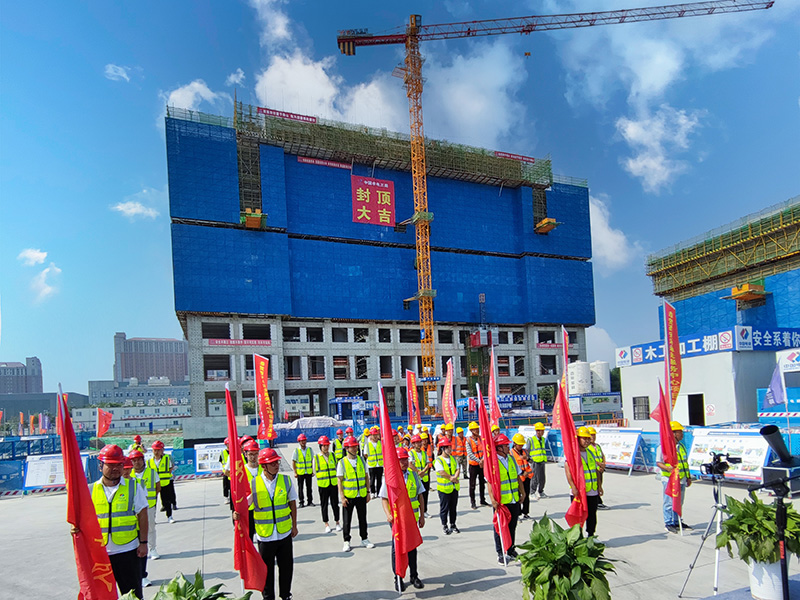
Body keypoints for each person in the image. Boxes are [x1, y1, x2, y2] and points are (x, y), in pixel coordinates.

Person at [76, 444, 148, 599]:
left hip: (128, 551)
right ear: (100, 466)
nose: (116, 468)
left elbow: (143, 515)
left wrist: (144, 542)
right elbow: (82, 519)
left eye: (119, 465)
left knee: (133, 595)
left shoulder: (133, 487)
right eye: (110, 465)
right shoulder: (90, 490)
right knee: (101, 595)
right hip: (100, 554)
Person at [234, 448, 298, 600]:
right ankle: (268, 597)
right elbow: (244, 505)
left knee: (286, 567)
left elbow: (292, 503)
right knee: (266, 571)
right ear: (263, 466)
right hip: (265, 536)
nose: (276, 465)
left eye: (277, 462)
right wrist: (236, 513)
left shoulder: (286, 480)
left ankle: (286, 595)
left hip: (284, 533)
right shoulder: (254, 484)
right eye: (272, 463)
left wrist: (294, 525)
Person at [380, 447, 425, 592]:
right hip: (397, 521)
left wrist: (422, 515)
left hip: (412, 519)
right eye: (401, 460)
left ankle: (414, 576)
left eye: (406, 459)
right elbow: (384, 499)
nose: (404, 462)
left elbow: (420, 496)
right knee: (398, 548)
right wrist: (388, 515)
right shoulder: (390, 477)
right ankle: (398, 577)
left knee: (412, 547)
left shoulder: (413, 475)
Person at [488, 434, 526, 565]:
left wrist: (523, 493)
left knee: (512, 526)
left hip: (514, 499)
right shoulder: (493, 462)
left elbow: (518, 476)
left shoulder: (510, 459)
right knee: (500, 528)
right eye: (505, 445)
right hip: (501, 502)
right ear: (499, 448)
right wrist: (492, 499)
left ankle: (510, 549)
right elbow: (489, 482)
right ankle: (500, 552)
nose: (508, 447)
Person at [337, 435, 374, 552]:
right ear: (347, 448)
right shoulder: (342, 463)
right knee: (347, 520)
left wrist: (368, 492)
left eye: (356, 446)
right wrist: (342, 497)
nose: (355, 449)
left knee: (362, 518)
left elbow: (366, 477)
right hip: (349, 496)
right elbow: (340, 480)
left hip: (361, 495)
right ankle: (346, 541)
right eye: (352, 447)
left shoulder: (361, 460)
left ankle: (364, 538)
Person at [130, 448, 161, 581]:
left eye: (138, 460)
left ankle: (152, 548)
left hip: (149, 506)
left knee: (150, 528)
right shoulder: (128, 474)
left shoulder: (152, 472)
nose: (136, 463)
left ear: (143, 460)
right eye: (134, 461)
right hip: (132, 509)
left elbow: (158, 487)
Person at [656, 421, 692, 533]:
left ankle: (677, 521)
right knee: (669, 502)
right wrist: (668, 469)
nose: (682, 434)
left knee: (679, 502)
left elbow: (684, 463)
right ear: (673, 434)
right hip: (669, 480)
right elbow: (659, 462)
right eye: (680, 432)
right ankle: (669, 522)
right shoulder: (663, 447)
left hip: (681, 479)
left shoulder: (681, 447)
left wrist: (688, 477)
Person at [565, 427, 601, 537]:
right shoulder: (573, 454)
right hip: (579, 491)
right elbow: (568, 470)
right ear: (578, 439)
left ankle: (591, 535)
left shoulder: (590, 452)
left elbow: (595, 471)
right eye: (584, 438)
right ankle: (577, 536)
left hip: (592, 490)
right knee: (578, 515)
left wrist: (599, 486)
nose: (587, 441)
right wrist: (573, 486)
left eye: (588, 438)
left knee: (592, 514)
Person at [314, 436, 341, 533]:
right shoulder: (316, 458)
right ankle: (326, 524)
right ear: (320, 446)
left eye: (327, 445)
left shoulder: (333, 456)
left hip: (333, 484)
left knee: (335, 504)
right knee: (324, 505)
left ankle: (337, 522)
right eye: (324, 446)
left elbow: (337, 468)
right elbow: (314, 471)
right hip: (323, 485)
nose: (326, 447)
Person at [434, 438, 460, 535]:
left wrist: (455, 477)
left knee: (453, 508)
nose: (450, 449)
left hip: (454, 488)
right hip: (444, 489)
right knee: (444, 508)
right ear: (442, 448)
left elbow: (457, 469)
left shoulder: (453, 458)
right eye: (447, 447)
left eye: (450, 447)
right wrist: (451, 478)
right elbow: (441, 472)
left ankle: (453, 524)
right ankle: (444, 525)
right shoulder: (439, 460)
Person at [149, 441, 176, 523]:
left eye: (158, 450)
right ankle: (152, 519)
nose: (156, 452)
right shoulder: (149, 461)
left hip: (165, 483)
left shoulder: (167, 458)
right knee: (152, 502)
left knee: (167, 501)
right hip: (154, 484)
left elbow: (170, 468)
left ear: (162, 450)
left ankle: (169, 516)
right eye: (155, 450)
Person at [408, 434, 432, 518]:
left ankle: (424, 511)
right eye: (416, 442)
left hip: (424, 477)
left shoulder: (424, 453)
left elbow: (428, 463)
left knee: (425, 495)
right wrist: (418, 471)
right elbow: (410, 464)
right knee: (415, 495)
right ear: (413, 444)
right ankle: (414, 511)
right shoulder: (411, 453)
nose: (418, 444)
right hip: (415, 477)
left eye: (419, 442)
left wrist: (423, 471)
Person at [466, 422, 488, 509]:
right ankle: (473, 502)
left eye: (477, 429)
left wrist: (482, 460)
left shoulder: (481, 439)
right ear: (471, 431)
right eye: (475, 429)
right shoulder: (468, 440)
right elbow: (470, 454)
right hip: (473, 465)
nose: (477, 431)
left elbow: (485, 450)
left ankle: (482, 500)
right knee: (472, 484)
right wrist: (479, 461)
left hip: (481, 465)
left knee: (482, 483)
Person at [511, 434, 533, 519]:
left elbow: (531, 461)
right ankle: (518, 513)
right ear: (514, 443)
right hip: (518, 478)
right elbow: (512, 466)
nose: (521, 446)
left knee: (526, 495)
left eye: (522, 444)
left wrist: (527, 458)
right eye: (519, 444)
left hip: (527, 477)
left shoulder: (525, 451)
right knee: (518, 496)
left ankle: (525, 512)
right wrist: (522, 473)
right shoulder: (511, 453)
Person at [587, 427, 608, 509]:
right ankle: (598, 502)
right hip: (594, 469)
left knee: (600, 484)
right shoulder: (587, 447)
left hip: (600, 469)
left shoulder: (597, 446)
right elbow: (590, 459)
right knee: (596, 486)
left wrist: (603, 464)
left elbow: (602, 455)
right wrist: (599, 464)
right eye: (591, 435)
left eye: (594, 435)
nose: (593, 437)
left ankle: (597, 502)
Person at [292, 434, 314, 508]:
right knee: (300, 488)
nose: (303, 442)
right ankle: (301, 502)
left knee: (309, 488)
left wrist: (313, 470)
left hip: (308, 472)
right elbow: (293, 462)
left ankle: (310, 501)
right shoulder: (296, 451)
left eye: (304, 440)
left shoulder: (309, 450)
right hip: (300, 473)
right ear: (299, 442)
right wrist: (295, 472)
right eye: (301, 441)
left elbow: (313, 460)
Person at [528, 423, 548, 498]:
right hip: (535, 461)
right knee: (535, 478)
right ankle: (532, 492)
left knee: (542, 478)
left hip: (542, 460)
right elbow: (527, 450)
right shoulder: (531, 440)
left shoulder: (543, 439)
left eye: (543, 431)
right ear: (537, 431)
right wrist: (529, 460)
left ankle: (541, 491)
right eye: (540, 431)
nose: (542, 432)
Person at [364, 427, 384, 498]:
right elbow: (365, 454)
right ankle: (372, 492)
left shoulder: (380, 443)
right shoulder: (367, 444)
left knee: (379, 479)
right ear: (370, 436)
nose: (375, 436)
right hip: (371, 465)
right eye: (373, 435)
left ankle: (379, 492)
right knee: (372, 479)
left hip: (380, 464)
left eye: (376, 435)